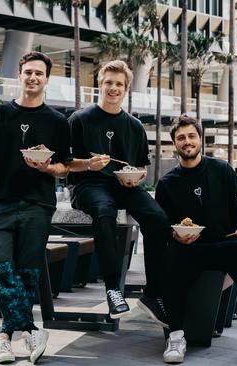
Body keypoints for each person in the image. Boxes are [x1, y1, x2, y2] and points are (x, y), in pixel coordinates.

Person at [0, 51, 71, 365]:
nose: (33, 78)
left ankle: (4, 339)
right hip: (1, 204)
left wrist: (49, 169)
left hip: (39, 204)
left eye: (39, 73)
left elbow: (64, 166)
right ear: (20, 75)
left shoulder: (57, 121)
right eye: (28, 72)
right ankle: (30, 329)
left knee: (26, 276)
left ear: (46, 79)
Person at [156, 115, 237, 364]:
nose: (187, 141)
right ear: (174, 144)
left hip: (227, 243)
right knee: (168, 256)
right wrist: (174, 233)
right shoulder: (167, 184)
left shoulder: (222, 170)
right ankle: (176, 335)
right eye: (181, 138)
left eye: (191, 136)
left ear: (200, 139)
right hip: (191, 248)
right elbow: (164, 223)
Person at [68, 60, 169, 324]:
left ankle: (154, 292)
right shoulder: (79, 120)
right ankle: (113, 288)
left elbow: (142, 168)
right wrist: (88, 164)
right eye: (108, 83)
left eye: (119, 84)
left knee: (158, 218)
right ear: (100, 85)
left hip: (124, 187)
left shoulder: (134, 125)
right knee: (104, 212)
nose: (113, 88)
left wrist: (135, 177)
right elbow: (65, 164)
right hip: (87, 185)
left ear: (126, 90)